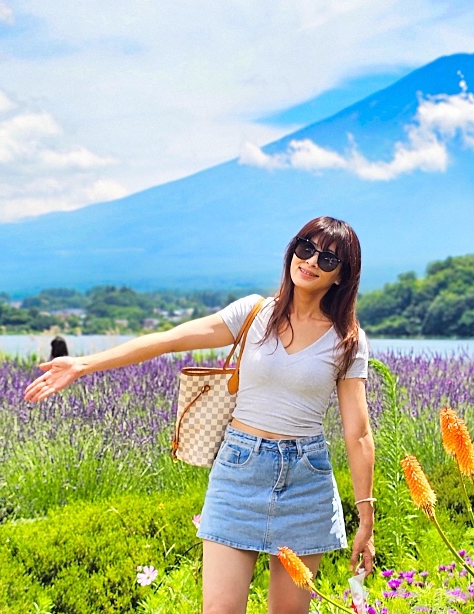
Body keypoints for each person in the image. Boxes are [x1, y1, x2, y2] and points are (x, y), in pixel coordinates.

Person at [22, 216, 374, 614]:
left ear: (342, 276)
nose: (310, 262)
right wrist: (84, 365)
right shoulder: (255, 313)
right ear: (293, 250)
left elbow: (357, 432)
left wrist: (366, 515)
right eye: (305, 248)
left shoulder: (347, 339)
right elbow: (171, 339)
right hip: (240, 470)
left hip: (305, 479)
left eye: (327, 259)